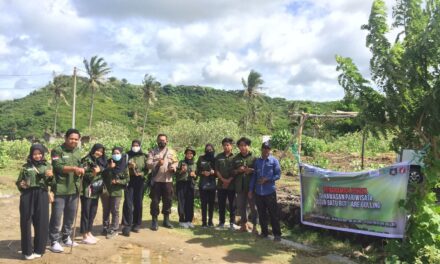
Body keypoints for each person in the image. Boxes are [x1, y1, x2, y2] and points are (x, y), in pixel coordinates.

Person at [49, 128, 84, 253]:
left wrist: (81, 169)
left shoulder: (78, 151)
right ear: (66, 138)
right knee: (56, 216)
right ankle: (54, 240)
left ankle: (66, 237)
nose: (73, 141)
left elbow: (80, 165)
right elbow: (57, 167)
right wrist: (74, 168)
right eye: (71, 138)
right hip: (60, 188)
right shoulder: (57, 150)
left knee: (70, 215)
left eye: (76, 139)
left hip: (74, 188)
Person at [16, 144, 53, 260]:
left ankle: (39, 249)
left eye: (39, 154)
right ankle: (27, 251)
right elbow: (18, 182)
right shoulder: (25, 167)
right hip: (27, 195)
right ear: (31, 155)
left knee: (42, 222)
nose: (37, 156)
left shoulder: (47, 165)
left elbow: (53, 183)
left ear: (42, 154)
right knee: (26, 222)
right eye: (34, 154)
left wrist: (51, 177)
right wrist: (21, 184)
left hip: (42, 194)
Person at [249, 141, 282, 241]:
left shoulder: (274, 161)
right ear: (261, 149)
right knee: (262, 213)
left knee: (273, 213)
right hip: (258, 192)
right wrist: (251, 190)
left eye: (268, 148)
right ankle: (264, 233)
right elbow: (254, 176)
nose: (266, 150)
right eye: (264, 148)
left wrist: (267, 179)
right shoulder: (257, 162)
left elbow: (278, 175)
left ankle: (277, 234)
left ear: (270, 150)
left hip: (270, 192)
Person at [147, 134, 178, 231]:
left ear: (167, 141)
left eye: (163, 140)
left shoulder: (172, 152)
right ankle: (154, 221)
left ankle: (166, 220)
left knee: (168, 200)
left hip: (168, 180)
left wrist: (174, 167)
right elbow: (148, 164)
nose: (162, 141)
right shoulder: (152, 152)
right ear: (157, 141)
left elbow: (176, 162)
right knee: (155, 201)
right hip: (156, 181)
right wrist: (156, 163)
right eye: (160, 140)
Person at [80, 143, 107, 244]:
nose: (99, 153)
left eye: (101, 151)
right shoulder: (87, 160)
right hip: (87, 191)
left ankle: (89, 232)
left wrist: (100, 170)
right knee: (86, 213)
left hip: (96, 190)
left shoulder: (99, 160)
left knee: (93, 212)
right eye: (97, 150)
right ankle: (84, 235)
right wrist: (94, 173)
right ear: (93, 149)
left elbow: (104, 171)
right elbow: (84, 176)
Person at [121, 140, 148, 236]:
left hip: (140, 181)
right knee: (128, 202)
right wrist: (129, 166)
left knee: (138, 202)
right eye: (133, 145)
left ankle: (137, 223)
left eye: (137, 145)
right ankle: (126, 224)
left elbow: (147, 169)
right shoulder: (127, 155)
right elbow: (122, 167)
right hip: (129, 180)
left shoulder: (144, 156)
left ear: (140, 146)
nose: (135, 147)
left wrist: (142, 174)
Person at [101, 147, 129, 239]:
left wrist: (118, 182)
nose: (115, 155)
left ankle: (114, 228)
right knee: (106, 209)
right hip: (106, 191)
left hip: (116, 191)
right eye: (114, 153)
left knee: (115, 210)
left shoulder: (124, 165)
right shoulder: (108, 162)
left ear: (121, 154)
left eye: (118, 153)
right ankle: (105, 227)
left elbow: (127, 179)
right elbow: (102, 174)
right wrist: (109, 168)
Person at [232, 137, 258, 233]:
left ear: (248, 146)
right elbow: (232, 172)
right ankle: (244, 226)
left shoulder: (254, 158)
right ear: (238, 147)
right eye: (241, 146)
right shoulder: (235, 159)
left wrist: (251, 170)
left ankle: (255, 226)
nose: (243, 147)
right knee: (241, 207)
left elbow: (258, 172)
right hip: (240, 187)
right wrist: (238, 170)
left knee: (253, 207)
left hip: (251, 188)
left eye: (245, 145)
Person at [215, 138, 236, 230]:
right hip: (221, 184)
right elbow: (216, 170)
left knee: (232, 204)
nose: (226, 147)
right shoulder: (219, 157)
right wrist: (223, 180)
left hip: (232, 185)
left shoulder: (235, 157)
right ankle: (221, 222)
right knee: (221, 204)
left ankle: (232, 223)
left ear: (231, 146)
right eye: (224, 145)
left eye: (228, 145)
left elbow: (236, 171)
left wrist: (228, 180)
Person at [175, 147, 197, 228]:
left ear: (193, 155)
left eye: (191, 153)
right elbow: (176, 174)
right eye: (188, 153)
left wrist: (194, 175)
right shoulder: (181, 162)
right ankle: (182, 220)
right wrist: (181, 171)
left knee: (190, 202)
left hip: (190, 184)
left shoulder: (195, 164)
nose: (189, 155)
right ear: (185, 154)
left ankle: (189, 220)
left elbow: (196, 176)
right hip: (181, 184)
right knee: (181, 202)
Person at [197, 144, 217, 227]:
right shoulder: (201, 158)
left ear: (213, 150)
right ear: (205, 150)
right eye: (207, 149)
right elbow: (197, 171)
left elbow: (219, 172)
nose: (209, 151)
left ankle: (210, 221)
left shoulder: (216, 160)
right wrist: (203, 172)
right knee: (204, 204)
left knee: (211, 204)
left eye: (211, 149)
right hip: (203, 184)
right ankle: (204, 222)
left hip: (212, 184)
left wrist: (214, 172)